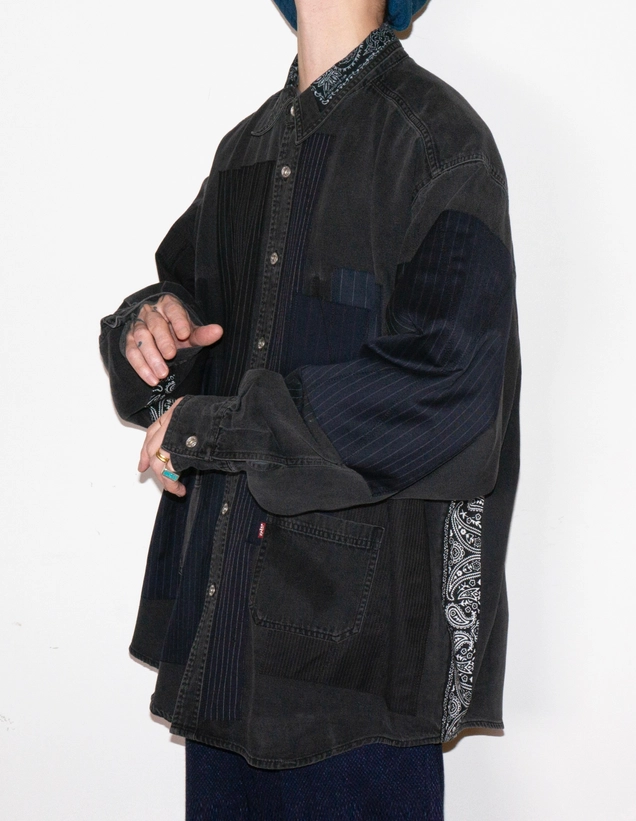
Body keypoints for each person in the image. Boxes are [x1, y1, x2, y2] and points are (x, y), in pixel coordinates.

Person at [98, 0, 522, 816]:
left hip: (356, 675)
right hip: (225, 648)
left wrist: (219, 429)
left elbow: (454, 390)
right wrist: (148, 331)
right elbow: (186, 309)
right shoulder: (247, 150)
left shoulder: (437, 142)